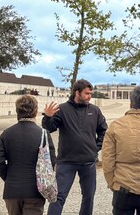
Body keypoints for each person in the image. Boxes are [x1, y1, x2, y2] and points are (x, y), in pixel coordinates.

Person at [42, 79, 107, 215]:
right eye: (87, 93)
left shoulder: (95, 111)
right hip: (66, 162)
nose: (90, 96)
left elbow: (103, 131)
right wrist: (47, 117)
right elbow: (49, 127)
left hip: (88, 162)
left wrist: (95, 148)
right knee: (58, 197)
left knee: (89, 197)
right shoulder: (62, 109)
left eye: (91, 93)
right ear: (77, 92)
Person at [0, 95, 56, 215]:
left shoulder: (6, 134)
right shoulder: (43, 134)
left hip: (11, 190)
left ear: (17, 111)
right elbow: (51, 161)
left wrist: (9, 177)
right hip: (35, 191)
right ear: (35, 112)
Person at [102, 86, 140, 215]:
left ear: (131, 103)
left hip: (123, 185)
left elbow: (107, 159)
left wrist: (112, 182)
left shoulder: (116, 125)